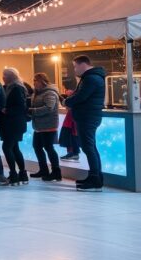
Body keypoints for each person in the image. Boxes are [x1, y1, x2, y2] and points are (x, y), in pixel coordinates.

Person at [64, 55, 106, 191]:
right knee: (90, 147)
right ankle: (95, 177)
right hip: (87, 116)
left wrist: (66, 101)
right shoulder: (90, 77)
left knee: (89, 148)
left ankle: (95, 178)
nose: (74, 69)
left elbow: (81, 96)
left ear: (83, 64)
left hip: (87, 117)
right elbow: (80, 95)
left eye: (75, 66)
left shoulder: (91, 78)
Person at [29, 73, 62, 182]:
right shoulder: (37, 93)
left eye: (36, 81)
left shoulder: (50, 93)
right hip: (38, 126)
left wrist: (32, 111)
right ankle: (43, 169)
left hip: (48, 126)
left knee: (49, 148)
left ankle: (56, 172)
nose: (34, 83)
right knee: (37, 147)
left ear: (42, 81)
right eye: (34, 80)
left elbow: (49, 108)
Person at [0, 68, 29, 186]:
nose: (3, 77)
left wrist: (7, 110)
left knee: (7, 147)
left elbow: (21, 107)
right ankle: (22, 173)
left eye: (5, 75)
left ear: (10, 76)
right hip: (11, 123)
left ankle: (14, 173)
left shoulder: (17, 88)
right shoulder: (10, 87)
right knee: (14, 148)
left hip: (13, 123)